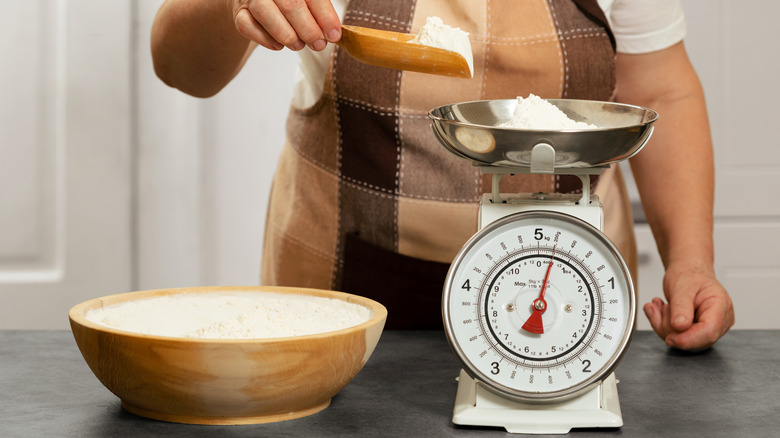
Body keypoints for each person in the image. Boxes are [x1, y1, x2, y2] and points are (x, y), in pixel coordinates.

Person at [151, 0, 734, 350]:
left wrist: (690, 262)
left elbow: (660, 89)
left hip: (559, 298)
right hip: (339, 280)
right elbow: (179, 67)